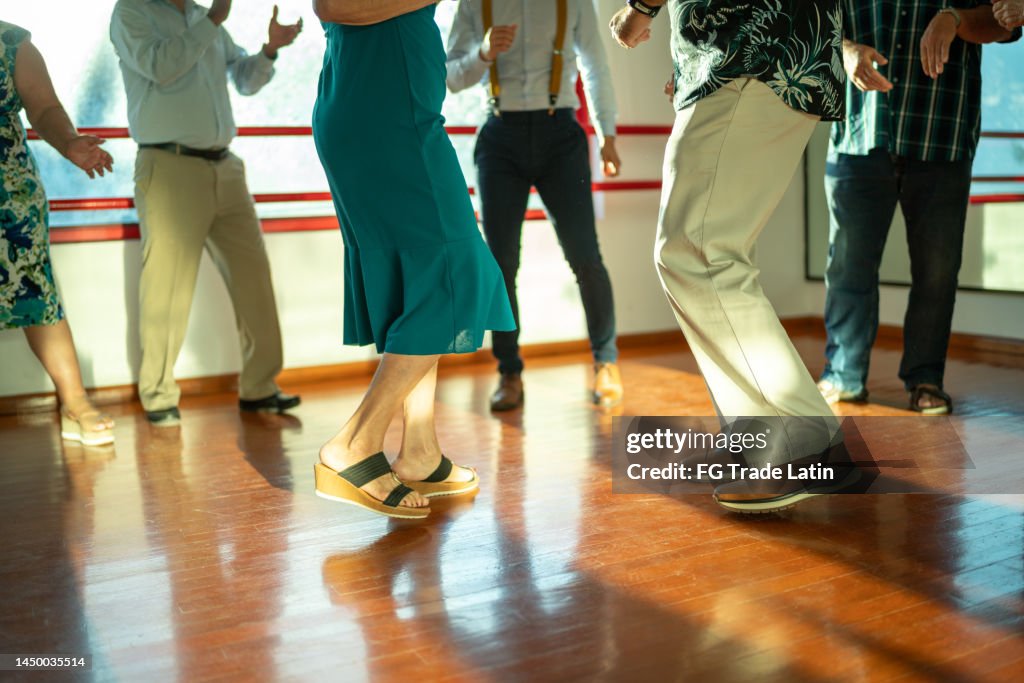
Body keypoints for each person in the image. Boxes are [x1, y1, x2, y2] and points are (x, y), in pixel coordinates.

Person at [610, 1, 853, 513]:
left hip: (749, 48)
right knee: (710, 251)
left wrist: (640, 9)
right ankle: (783, 434)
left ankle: (800, 440)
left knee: (697, 253)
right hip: (760, 51)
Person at [311, 0, 515, 518]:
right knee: (460, 273)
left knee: (422, 282)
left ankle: (420, 450)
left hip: (384, 113)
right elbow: (331, 5)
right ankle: (355, 444)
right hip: (388, 122)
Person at [109, 0, 303, 426]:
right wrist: (214, 20)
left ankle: (260, 387)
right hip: (169, 166)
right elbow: (161, 66)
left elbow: (244, 80)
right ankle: (158, 396)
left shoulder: (202, 16)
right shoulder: (132, 13)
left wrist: (269, 50)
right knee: (166, 290)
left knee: (254, 279)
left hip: (226, 168)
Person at [818, 1, 1015, 415]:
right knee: (847, 267)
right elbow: (814, 28)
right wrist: (846, 49)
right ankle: (843, 375)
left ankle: (926, 378)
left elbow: (1005, 22)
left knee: (937, 273)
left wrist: (956, 19)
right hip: (860, 134)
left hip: (941, 133)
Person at [446, 0, 625, 411]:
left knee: (585, 257)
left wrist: (607, 134)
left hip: (560, 134)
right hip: (499, 136)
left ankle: (606, 363)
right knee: (501, 263)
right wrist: (484, 53)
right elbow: (451, 77)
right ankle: (509, 372)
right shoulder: (475, 4)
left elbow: (595, 65)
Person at [0, 21, 115, 446]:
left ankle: (75, 404)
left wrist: (69, 143)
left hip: (7, 195)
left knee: (37, 294)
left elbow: (44, 108)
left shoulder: (11, 43)